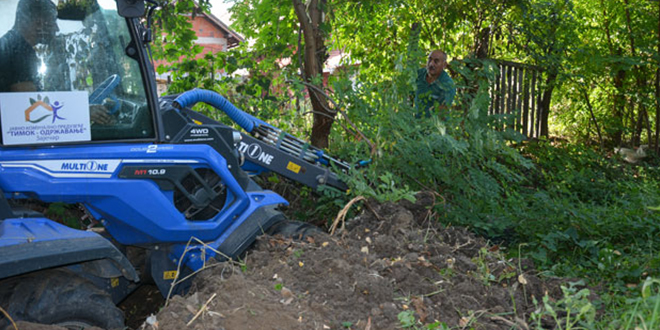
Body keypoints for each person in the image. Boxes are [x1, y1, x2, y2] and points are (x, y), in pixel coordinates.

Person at [0, 0, 113, 124]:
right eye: (54, 21)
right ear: (39, 22)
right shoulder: (20, 52)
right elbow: (30, 107)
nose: (57, 28)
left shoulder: (11, 44)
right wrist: (83, 111)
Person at [414, 50, 456, 118]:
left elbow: (442, 112)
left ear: (444, 65)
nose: (431, 64)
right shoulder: (419, 75)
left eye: (436, 61)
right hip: (415, 123)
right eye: (429, 60)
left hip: (435, 125)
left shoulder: (447, 84)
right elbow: (407, 93)